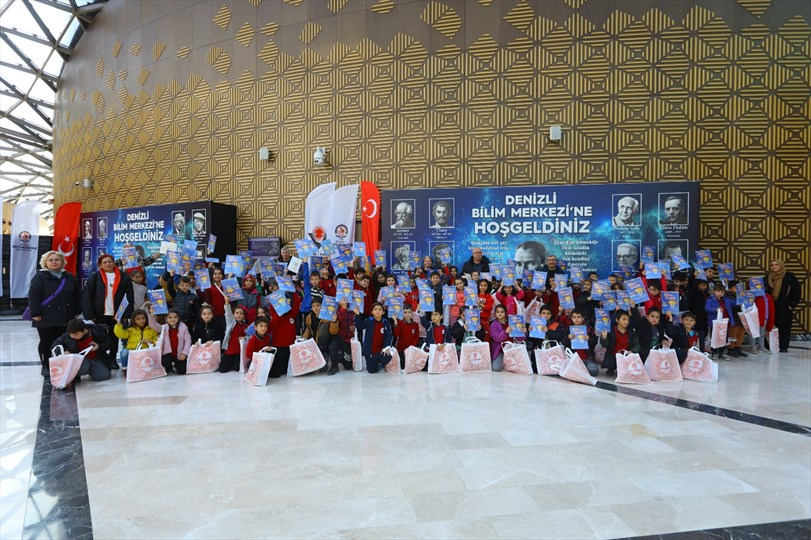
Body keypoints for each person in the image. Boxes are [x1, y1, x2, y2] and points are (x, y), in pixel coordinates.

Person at [28, 251, 82, 377]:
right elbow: (33, 296)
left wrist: (77, 310)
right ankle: (46, 366)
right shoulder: (40, 277)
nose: (54, 262)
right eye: (50, 260)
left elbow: (77, 295)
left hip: (66, 316)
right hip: (45, 316)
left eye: (57, 259)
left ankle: (64, 366)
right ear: (45, 263)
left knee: (65, 342)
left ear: (62, 262)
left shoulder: (69, 276)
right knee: (46, 342)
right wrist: (35, 312)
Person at [81, 253, 134, 367]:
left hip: (117, 314)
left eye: (110, 261)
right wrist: (90, 314)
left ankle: (113, 359)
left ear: (114, 263)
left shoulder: (124, 277)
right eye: (104, 262)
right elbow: (87, 296)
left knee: (115, 337)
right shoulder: (95, 277)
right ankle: (101, 359)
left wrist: (127, 314)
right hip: (100, 314)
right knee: (100, 337)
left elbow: (129, 296)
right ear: (100, 265)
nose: (108, 264)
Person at [764, 259, 801, 353]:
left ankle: (783, 346)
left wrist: (791, 305)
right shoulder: (767, 277)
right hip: (770, 305)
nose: (774, 266)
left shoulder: (789, 276)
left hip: (784, 305)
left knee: (784, 326)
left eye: (776, 264)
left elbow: (796, 291)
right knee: (769, 325)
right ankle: (769, 346)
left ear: (781, 265)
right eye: (772, 265)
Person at [113, 309, 159, 375]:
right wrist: (118, 323)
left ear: (146, 319)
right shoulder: (131, 330)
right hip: (133, 351)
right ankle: (125, 370)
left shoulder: (151, 329)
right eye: (138, 319)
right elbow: (120, 334)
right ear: (134, 320)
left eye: (143, 318)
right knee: (124, 352)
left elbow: (157, 341)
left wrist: (151, 341)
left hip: (146, 352)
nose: (141, 320)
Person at [149, 308, 191, 375]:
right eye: (170, 317)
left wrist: (184, 353)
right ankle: (169, 367)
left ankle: (176, 365)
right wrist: (152, 314)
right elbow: (153, 325)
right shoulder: (164, 328)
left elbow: (188, 341)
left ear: (178, 318)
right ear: (166, 319)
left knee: (182, 371)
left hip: (179, 353)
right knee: (165, 362)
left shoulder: (183, 327)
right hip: (168, 354)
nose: (172, 319)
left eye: (175, 317)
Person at [301, 299, 339, 374]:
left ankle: (335, 366)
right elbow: (308, 330)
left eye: (318, 305)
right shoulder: (309, 317)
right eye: (313, 306)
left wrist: (334, 321)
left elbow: (334, 332)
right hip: (318, 344)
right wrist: (303, 339)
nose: (316, 308)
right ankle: (324, 356)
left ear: (322, 306)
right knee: (322, 370)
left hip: (329, 341)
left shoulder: (328, 315)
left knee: (332, 348)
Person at [354, 302, 393, 373]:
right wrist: (357, 315)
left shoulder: (386, 322)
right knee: (371, 370)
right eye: (375, 309)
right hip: (370, 351)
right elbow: (359, 326)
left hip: (381, 349)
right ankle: (374, 362)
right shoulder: (369, 321)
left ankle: (381, 364)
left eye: (380, 309)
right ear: (372, 312)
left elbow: (389, 335)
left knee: (387, 356)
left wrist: (386, 347)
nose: (377, 311)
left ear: (383, 312)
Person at [599, 309, 640, 375]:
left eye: (628, 320)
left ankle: (623, 369)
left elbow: (637, 344)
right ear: (617, 320)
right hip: (614, 355)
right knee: (609, 363)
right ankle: (612, 368)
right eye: (624, 319)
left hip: (626, 355)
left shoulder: (631, 332)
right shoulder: (611, 331)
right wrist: (604, 337)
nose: (626, 322)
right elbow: (605, 345)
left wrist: (632, 351)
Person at [219, 306, 248, 373]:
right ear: (233, 314)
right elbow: (228, 312)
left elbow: (249, 337)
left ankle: (232, 362)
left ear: (244, 316)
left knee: (237, 368)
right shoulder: (231, 323)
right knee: (222, 370)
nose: (239, 315)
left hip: (238, 352)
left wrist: (245, 337)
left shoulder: (246, 326)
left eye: (241, 313)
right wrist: (227, 303)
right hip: (229, 351)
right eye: (237, 313)